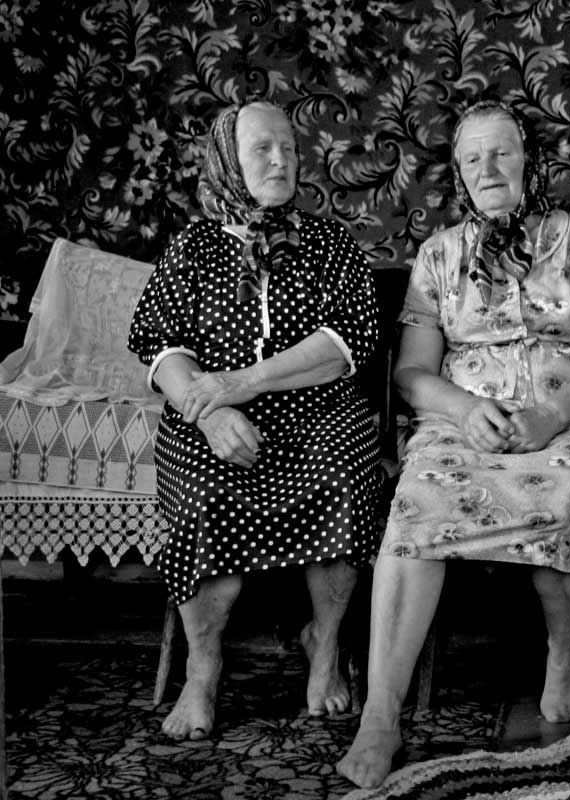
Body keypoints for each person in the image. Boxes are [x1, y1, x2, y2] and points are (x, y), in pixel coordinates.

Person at [337, 100, 570, 787]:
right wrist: (466, 409)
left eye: (501, 152)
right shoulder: (439, 256)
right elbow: (413, 371)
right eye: (473, 158)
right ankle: (381, 713)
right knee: (415, 504)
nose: (488, 168)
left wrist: (552, 414)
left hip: (569, 417)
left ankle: (563, 653)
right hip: (461, 422)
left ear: (529, 159)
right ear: (459, 174)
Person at [128, 100, 384, 740]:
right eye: (262, 148)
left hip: (319, 414)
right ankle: (204, 668)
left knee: (344, 480)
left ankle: (324, 647)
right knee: (204, 498)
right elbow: (161, 350)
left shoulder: (328, 243)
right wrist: (210, 415)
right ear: (226, 161)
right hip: (210, 420)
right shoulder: (192, 248)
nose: (280, 160)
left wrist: (237, 385)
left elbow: (344, 345)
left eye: (290, 149)